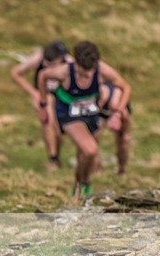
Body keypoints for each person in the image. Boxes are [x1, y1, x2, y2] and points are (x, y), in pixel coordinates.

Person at [37, 40, 131, 203]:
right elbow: (43, 75)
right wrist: (44, 105)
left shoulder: (102, 69)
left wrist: (117, 112)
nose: (87, 75)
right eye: (82, 72)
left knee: (84, 155)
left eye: (90, 71)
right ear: (76, 63)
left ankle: (79, 186)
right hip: (70, 115)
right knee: (91, 150)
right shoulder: (64, 72)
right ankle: (84, 183)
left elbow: (125, 87)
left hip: (92, 114)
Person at [10, 41, 72, 171]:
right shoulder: (37, 59)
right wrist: (35, 94)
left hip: (62, 97)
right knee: (48, 120)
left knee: (59, 132)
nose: (49, 70)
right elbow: (16, 73)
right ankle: (53, 159)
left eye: (53, 66)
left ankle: (56, 155)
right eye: (46, 65)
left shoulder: (70, 63)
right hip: (45, 95)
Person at [99, 81, 132, 175]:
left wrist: (124, 132)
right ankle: (96, 167)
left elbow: (125, 131)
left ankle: (122, 169)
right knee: (93, 137)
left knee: (123, 140)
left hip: (119, 109)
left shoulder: (119, 104)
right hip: (102, 108)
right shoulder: (101, 95)